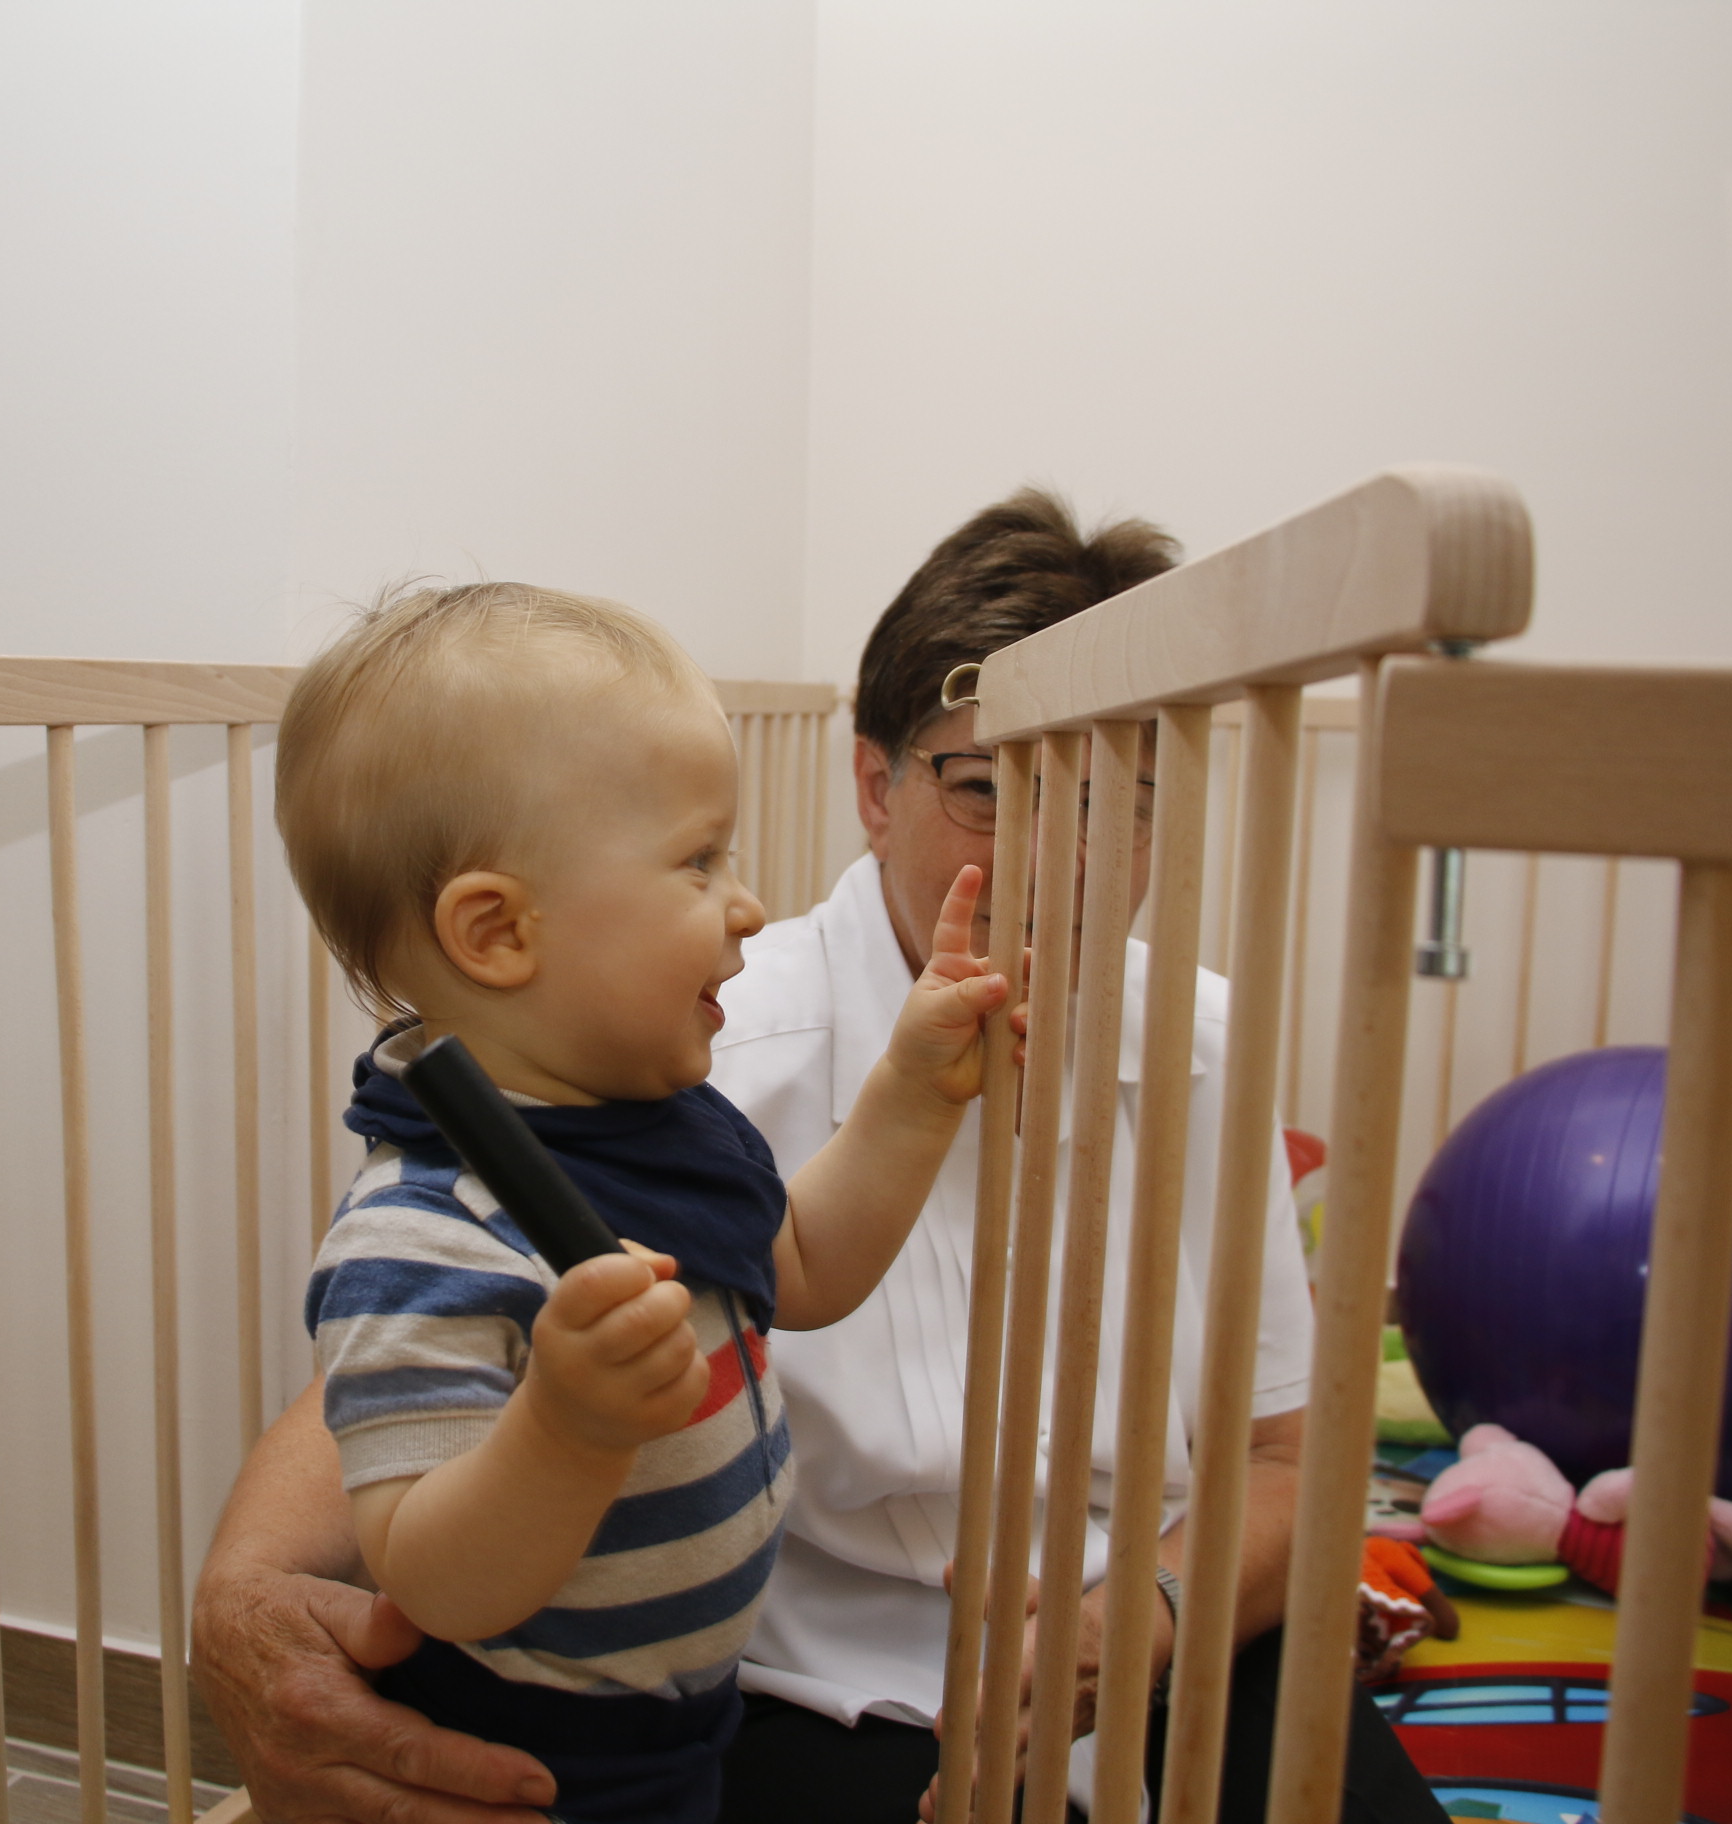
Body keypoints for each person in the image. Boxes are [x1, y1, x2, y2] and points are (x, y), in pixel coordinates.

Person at [194, 493, 1446, 1823]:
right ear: (874, 787)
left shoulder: (1202, 1041)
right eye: (987, 789)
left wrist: (1142, 1615)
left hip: (1151, 1620)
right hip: (790, 1677)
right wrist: (243, 1583)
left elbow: (1281, 1456)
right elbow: (429, 1355)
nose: (1063, 859)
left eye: (1120, 801)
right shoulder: (680, 1050)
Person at [276, 582, 1012, 1824]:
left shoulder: (660, 1128)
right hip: (545, 1748)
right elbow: (432, 1577)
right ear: (497, 931)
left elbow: (803, 1265)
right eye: (699, 861)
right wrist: (564, 1427)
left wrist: (912, 1093)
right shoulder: (423, 1236)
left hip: (687, 1707)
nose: (749, 905)